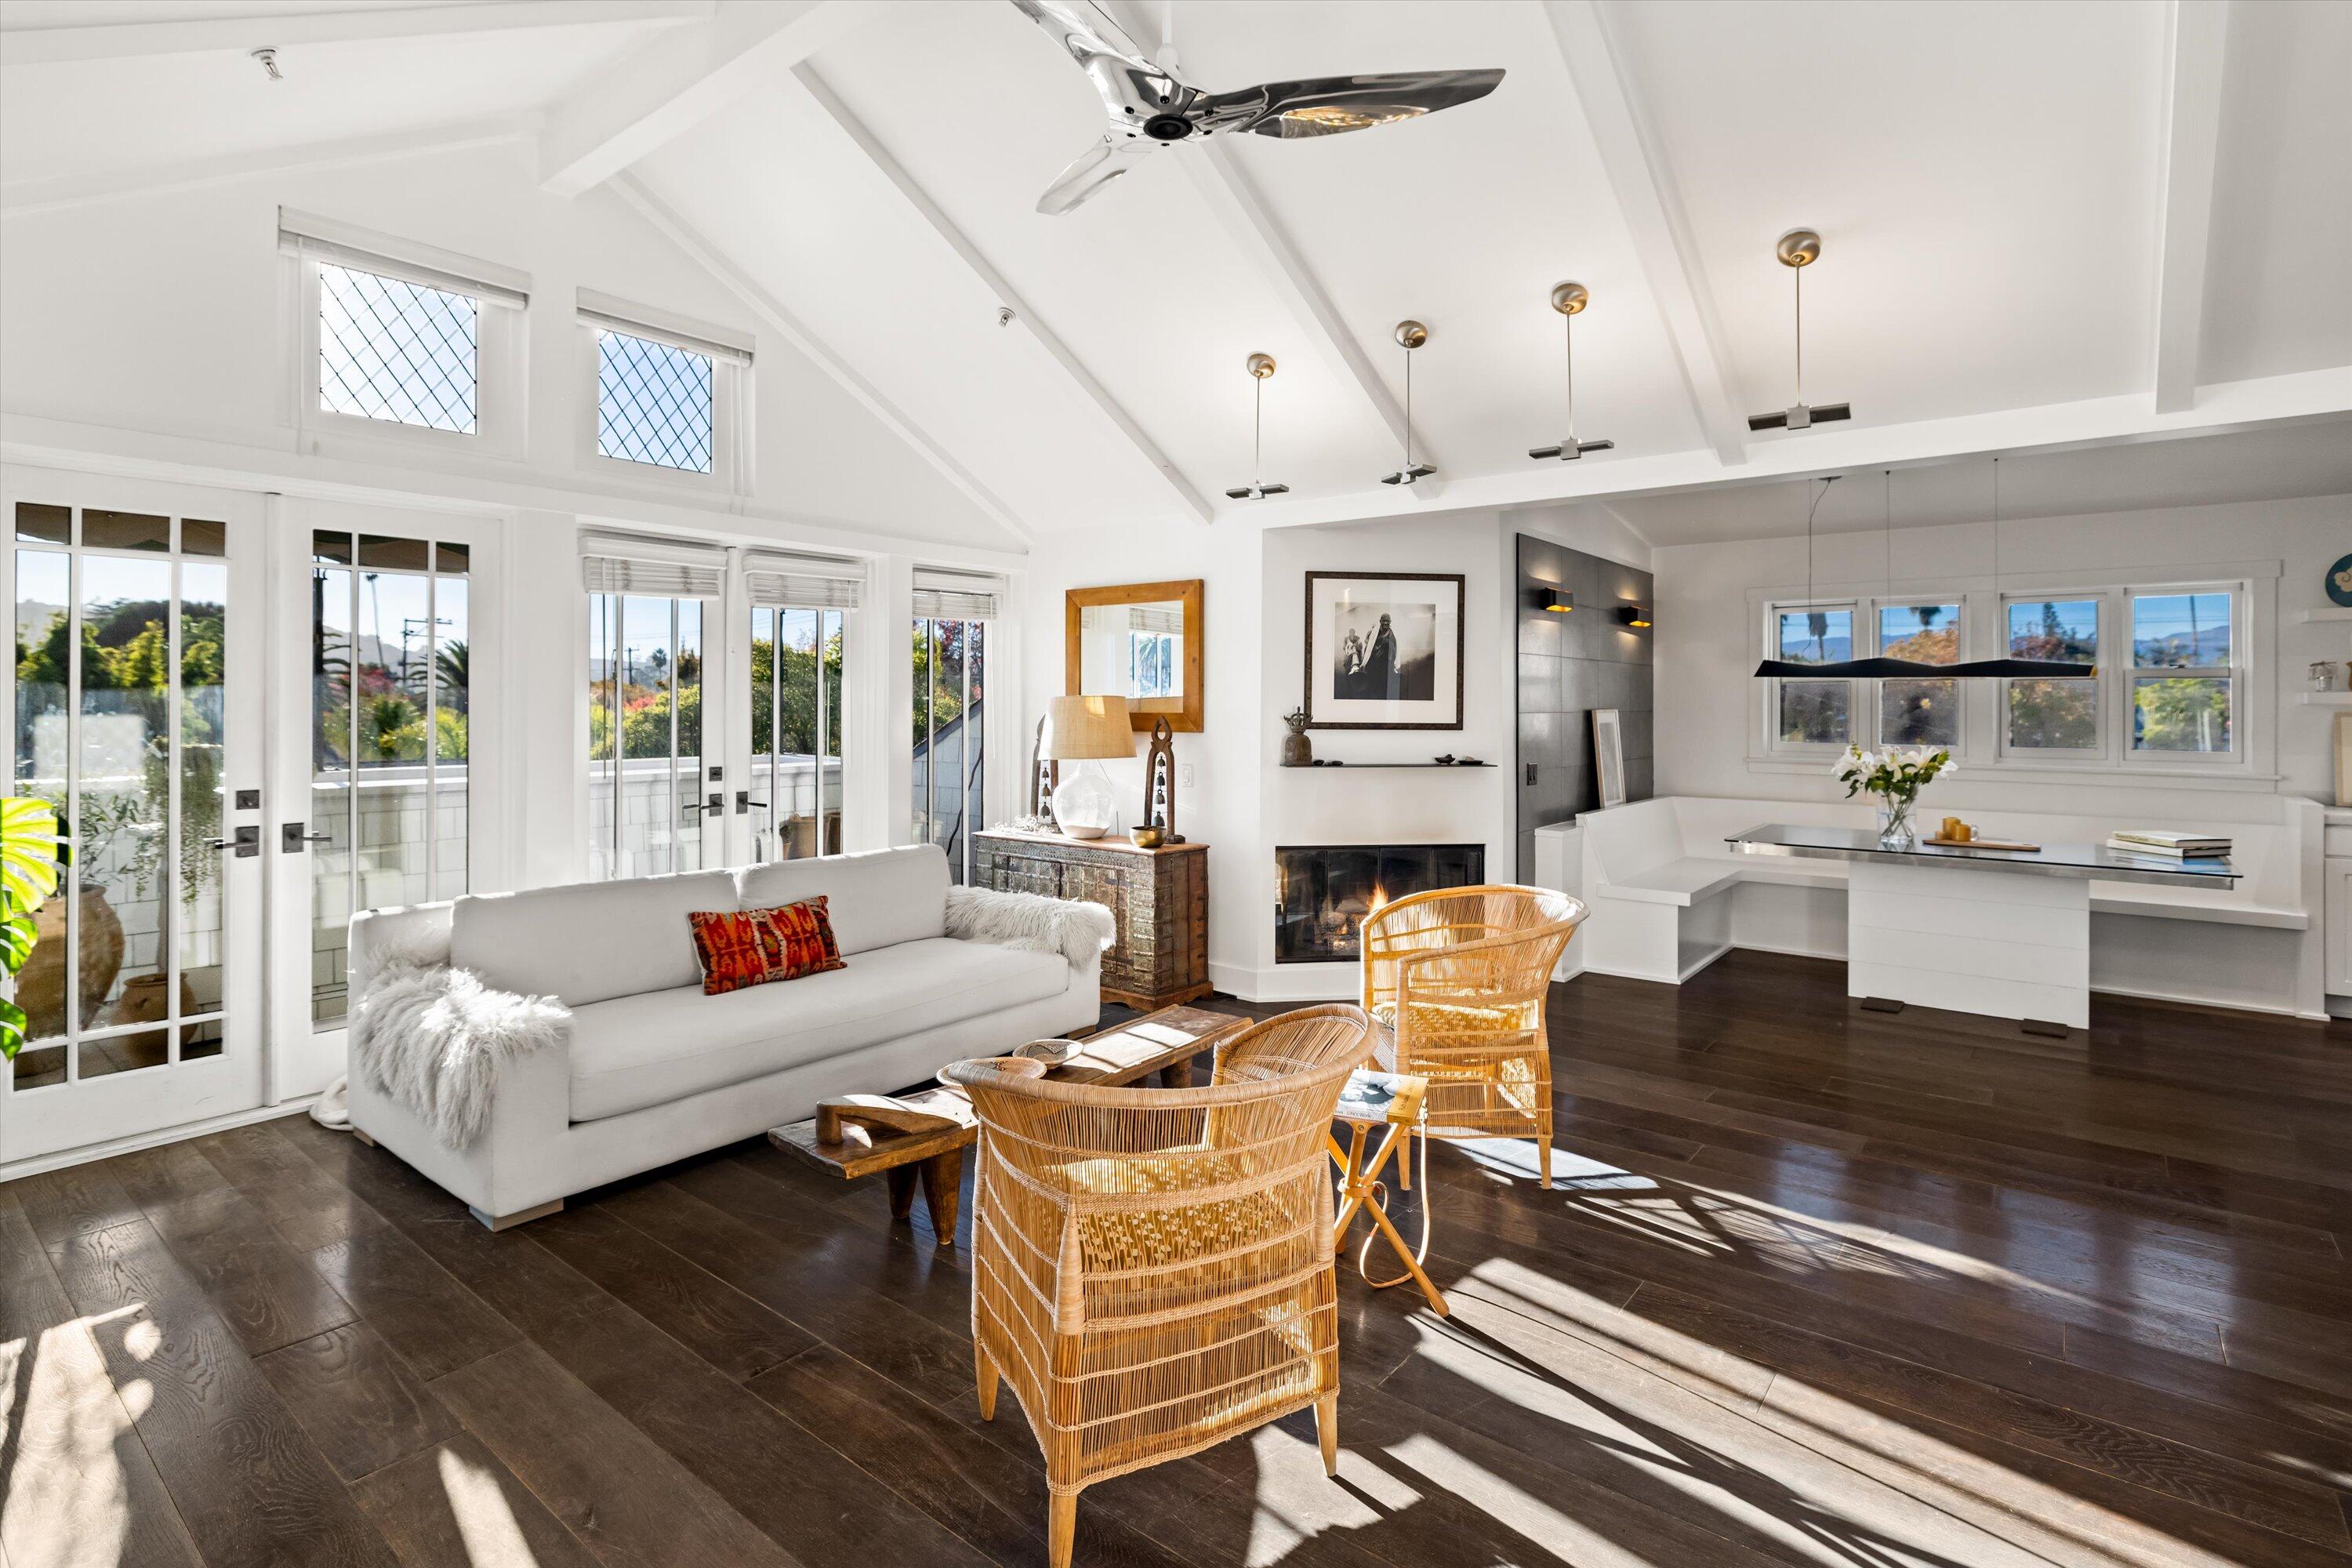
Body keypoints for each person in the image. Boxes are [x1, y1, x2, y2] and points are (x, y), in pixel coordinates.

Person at [1364, 612, 1399, 697]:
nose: (1385, 623)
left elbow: (1394, 646)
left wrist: (1386, 643)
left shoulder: (1391, 633)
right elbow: (1368, 643)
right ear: (1380, 621)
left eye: (1387, 621)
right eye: (1384, 621)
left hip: (1385, 662)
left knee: (1383, 684)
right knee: (1372, 683)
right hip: (1373, 661)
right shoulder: (1374, 631)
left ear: (1390, 622)